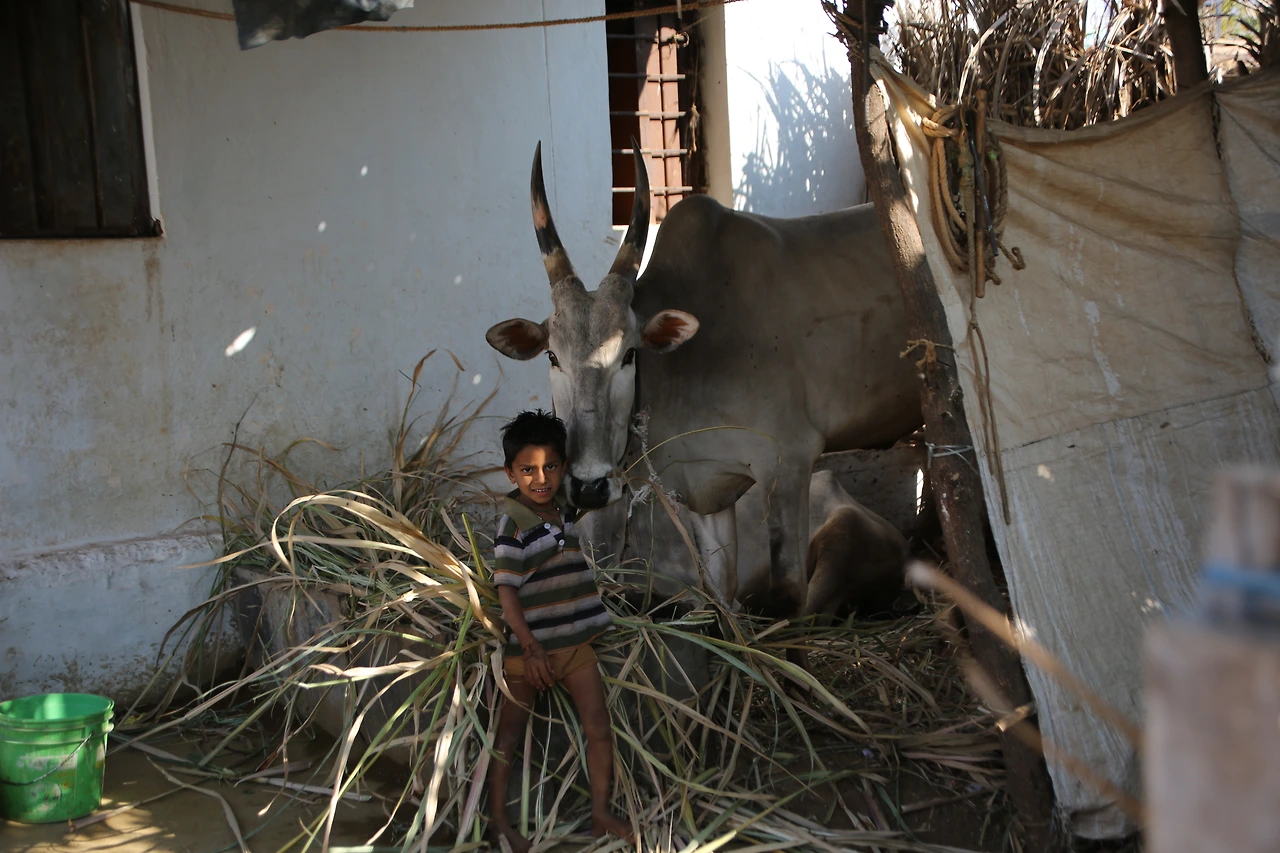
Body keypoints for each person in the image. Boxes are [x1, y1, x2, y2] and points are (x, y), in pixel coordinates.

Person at [486, 410, 634, 852]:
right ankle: (498, 822)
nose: (540, 479)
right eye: (527, 470)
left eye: (550, 466)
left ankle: (601, 813)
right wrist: (530, 649)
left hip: (573, 644)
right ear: (510, 473)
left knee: (598, 726)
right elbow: (507, 593)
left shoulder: (563, 510)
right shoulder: (512, 525)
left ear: (564, 466)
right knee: (508, 736)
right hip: (530, 654)